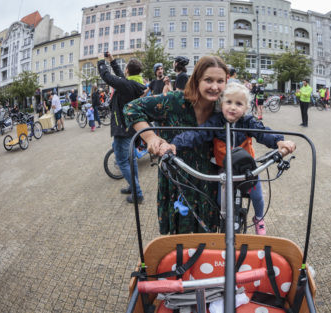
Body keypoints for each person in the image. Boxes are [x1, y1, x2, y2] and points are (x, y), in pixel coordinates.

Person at [162, 82, 296, 235]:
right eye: (229, 102)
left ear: (246, 108)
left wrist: (279, 141)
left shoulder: (247, 122)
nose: (233, 107)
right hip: (224, 170)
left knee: (257, 196)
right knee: (220, 201)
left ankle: (258, 218)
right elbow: (197, 134)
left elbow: (261, 132)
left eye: (238, 104)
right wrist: (175, 144)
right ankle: (224, 219)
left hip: (247, 169)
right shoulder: (216, 122)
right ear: (221, 104)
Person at [123, 55, 228, 234]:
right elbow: (131, 108)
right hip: (177, 181)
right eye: (208, 80)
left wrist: (277, 142)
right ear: (196, 80)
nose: (215, 86)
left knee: (208, 239)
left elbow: (248, 125)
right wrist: (151, 138)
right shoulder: (174, 101)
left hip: (208, 183)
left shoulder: (223, 108)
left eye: (220, 81)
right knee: (179, 241)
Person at [97, 51, 146, 204]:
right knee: (130, 160)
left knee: (123, 161)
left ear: (128, 71)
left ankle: (137, 193)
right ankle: (133, 186)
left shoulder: (127, 85)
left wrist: (101, 62)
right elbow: (121, 77)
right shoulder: (136, 83)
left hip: (123, 129)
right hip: (131, 128)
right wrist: (112, 61)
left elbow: (107, 77)